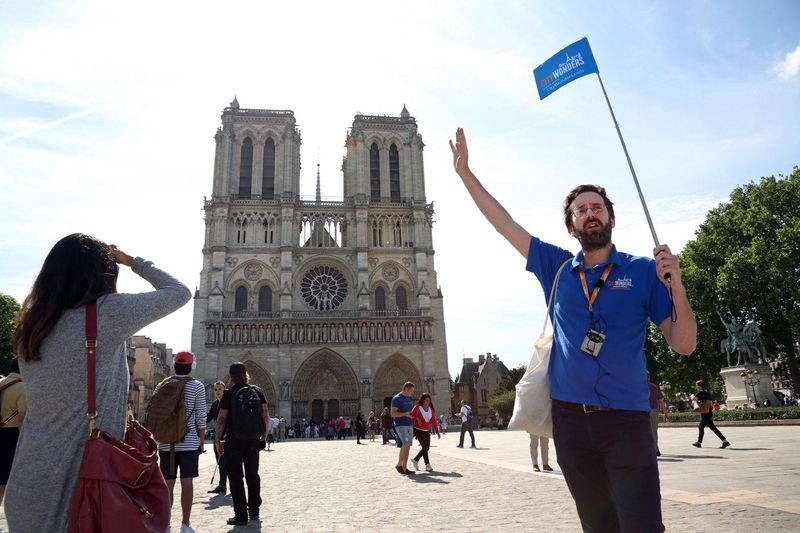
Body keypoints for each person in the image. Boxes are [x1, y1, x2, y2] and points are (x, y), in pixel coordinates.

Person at [450, 129, 697, 532]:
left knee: (642, 525)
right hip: (571, 424)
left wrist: (677, 285)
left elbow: (685, 344)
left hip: (627, 421)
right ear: (571, 226)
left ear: (611, 218)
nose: (590, 213)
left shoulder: (642, 271)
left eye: (596, 207)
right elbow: (505, 223)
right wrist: (466, 174)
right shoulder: (558, 268)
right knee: (597, 527)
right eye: (580, 210)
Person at [6, 234, 191, 533]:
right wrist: (133, 262)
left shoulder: (31, 327)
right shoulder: (106, 313)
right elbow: (179, 292)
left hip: (27, 487)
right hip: (86, 489)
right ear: (104, 274)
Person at [154, 350, 207, 533]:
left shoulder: (162, 384)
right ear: (191, 367)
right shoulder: (197, 386)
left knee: (167, 484)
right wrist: (201, 440)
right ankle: (185, 524)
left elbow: (155, 413)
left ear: (175, 365)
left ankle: (166, 526)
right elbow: (201, 416)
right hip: (189, 441)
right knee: (187, 482)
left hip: (166, 442)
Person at [215, 362, 270, 526]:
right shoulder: (257, 391)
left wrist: (218, 440)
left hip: (234, 440)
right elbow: (266, 415)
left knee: (236, 477)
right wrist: (264, 436)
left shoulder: (229, 393)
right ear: (246, 375)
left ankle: (240, 516)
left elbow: (222, 418)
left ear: (231, 377)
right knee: (253, 475)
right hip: (253, 440)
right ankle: (254, 511)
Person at [0, 358, 26, 505]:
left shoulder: (2, 382)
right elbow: (22, 419)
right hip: (10, 436)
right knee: (6, 480)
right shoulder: (23, 387)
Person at [691, 380, 730, 449]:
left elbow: (694, 399)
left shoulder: (700, 393)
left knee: (713, 428)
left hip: (705, 414)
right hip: (708, 412)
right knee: (701, 427)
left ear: (699, 386)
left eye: (696, 385)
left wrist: (692, 397)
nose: (696, 386)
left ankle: (725, 441)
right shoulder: (707, 393)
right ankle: (699, 442)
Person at [391, 381, 416, 475]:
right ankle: (398, 465)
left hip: (409, 424)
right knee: (405, 443)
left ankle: (405, 468)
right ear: (406, 389)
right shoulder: (397, 399)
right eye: (411, 390)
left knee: (408, 446)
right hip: (400, 424)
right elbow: (393, 413)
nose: (412, 393)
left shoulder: (409, 398)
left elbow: (410, 411)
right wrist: (405, 414)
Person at [207, 380, 228, 494]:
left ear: (224, 390)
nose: (217, 391)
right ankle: (222, 484)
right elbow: (209, 417)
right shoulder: (215, 404)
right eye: (215, 389)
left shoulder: (227, 403)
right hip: (217, 435)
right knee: (220, 461)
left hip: (226, 435)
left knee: (226, 460)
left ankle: (225, 484)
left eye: (220, 389)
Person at [411, 393, 440, 472]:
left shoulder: (431, 409)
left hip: (427, 430)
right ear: (422, 400)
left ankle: (415, 460)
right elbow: (411, 415)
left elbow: (434, 421)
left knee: (427, 448)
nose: (427, 401)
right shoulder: (417, 407)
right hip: (418, 430)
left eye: (429, 400)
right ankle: (427, 465)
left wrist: (437, 431)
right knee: (424, 447)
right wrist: (417, 418)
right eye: (426, 400)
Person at [648, 373, 669, 456]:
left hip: (643, 411)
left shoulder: (638, 387)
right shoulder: (654, 387)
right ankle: (655, 449)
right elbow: (661, 402)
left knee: (643, 431)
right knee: (654, 431)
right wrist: (666, 413)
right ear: (649, 377)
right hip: (654, 411)